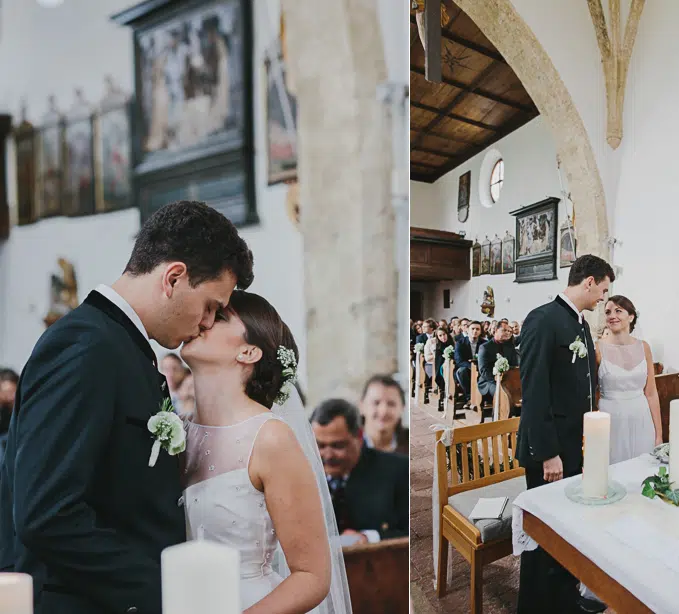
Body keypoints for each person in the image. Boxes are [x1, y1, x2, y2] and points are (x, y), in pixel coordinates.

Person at [0, 200, 253, 614]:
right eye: (210, 305)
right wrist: (165, 592)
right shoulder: (86, 346)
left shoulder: (120, 347)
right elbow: (47, 512)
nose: (208, 323)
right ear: (173, 277)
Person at [180, 290, 350, 613]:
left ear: (248, 352)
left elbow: (312, 575)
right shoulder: (178, 430)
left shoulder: (269, 438)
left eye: (219, 316)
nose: (202, 320)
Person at [516, 254, 614, 614]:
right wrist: (547, 452)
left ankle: (562, 600)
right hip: (550, 449)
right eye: (602, 289)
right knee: (544, 534)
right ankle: (534, 607)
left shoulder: (580, 324)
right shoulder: (543, 319)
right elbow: (535, 388)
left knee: (566, 530)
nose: (603, 298)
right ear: (588, 281)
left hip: (573, 444)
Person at [311, 399, 409, 545]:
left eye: (337, 446)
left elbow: (410, 533)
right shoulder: (304, 476)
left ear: (359, 437)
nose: (328, 455)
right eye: (320, 446)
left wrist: (369, 538)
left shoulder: (398, 470)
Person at [597, 296, 663, 464]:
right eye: (608, 312)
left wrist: (659, 434)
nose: (612, 315)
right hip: (611, 418)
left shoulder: (644, 347)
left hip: (641, 416)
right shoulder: (598, 348)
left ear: (631, 316)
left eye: (618, 311)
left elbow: (651, 393)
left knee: (643, 469)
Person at [359, 374, 409, 455]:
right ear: (361, 406)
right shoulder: (346, 446)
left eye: (391, 404)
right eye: (376, 403)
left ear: (402, 408)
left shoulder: (408, 445)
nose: (383, 411)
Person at [477, 321, 518, 400]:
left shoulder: (510, 347)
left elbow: (514, 366)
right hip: (489, 381)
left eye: (509, 331)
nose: (507, 333)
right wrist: (499, 380)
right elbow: (484, 372)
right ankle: (499, 412)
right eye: (504, 330)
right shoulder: (485, 347)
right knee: (502, 392)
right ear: (496, 330)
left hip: (507, 380)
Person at [454, 321, 485, 405]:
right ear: (467, 330)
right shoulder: (460, 343)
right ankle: (469, 397)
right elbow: (459, 361)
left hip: (480, 368)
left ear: (480, 331)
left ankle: (484, 397)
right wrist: (472, 367)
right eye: (473, 329)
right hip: (466, 369)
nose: (475, 331)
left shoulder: (484, 343)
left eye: (477, 329)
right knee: (461, 371)